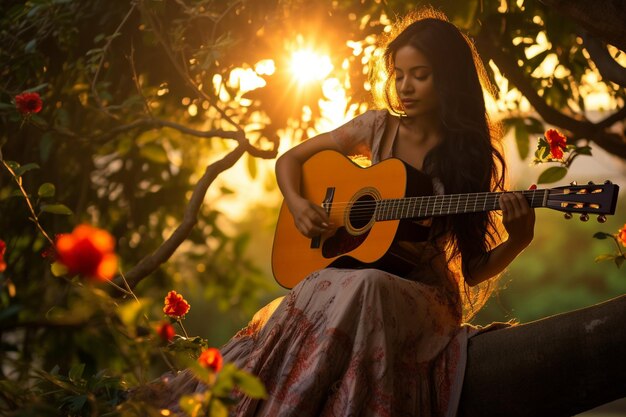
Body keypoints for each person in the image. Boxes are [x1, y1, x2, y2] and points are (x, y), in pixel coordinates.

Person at [157, 7, 535, 417]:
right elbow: (292, 160)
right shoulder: (377, 127)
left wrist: (520, 239)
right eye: (399, 74)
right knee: (328, 281)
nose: (405, 86)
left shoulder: (468, 156)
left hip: (423, 295)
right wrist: (300, 205)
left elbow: (474, 267)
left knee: (365, 284)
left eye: (420, 75)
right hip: (352, 284)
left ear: (448, 78)